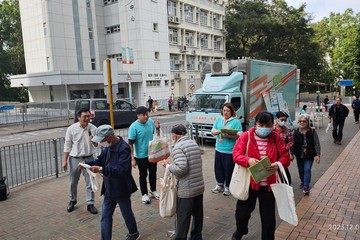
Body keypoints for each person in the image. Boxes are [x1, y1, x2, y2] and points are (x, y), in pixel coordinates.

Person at [232, 111, 290, 240]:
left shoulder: (276, 138)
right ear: (256, 123)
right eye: (261, 124)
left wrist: (277, 164)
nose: (264, 128)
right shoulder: (246, 136)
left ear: (272, 124)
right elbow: (236, 155)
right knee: (242, 214)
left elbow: (286, 157)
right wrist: (248, 160)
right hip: (249, 184)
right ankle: (240, 230)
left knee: (268, 220)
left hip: (268, 186)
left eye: (267, 125)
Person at [85, 125, 140, 240]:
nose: (101, 143)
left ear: (109, 138)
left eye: (102, 140)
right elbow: (100, 160)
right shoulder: (107, 147)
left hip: (121, 188)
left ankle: (134, 233)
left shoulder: (123, 148)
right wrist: (86, 164)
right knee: (105, 216)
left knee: (126, 213)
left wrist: (100, 169)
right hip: (109, 188)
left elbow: (121, 169)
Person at [162, 124, 204, 240]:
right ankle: (197, 236)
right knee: (197, 214)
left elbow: (181, 169)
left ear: (175, 135)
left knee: (183, 217)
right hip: (199, 185)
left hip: (187, 188)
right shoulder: (193, 143)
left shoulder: (178, 147)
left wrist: (168, 166)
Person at [62, 108, 98, 214]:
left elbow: (97, 145)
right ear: (79, 117)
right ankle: (73, 200)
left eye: (88, 116)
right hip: (75, 159)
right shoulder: (71, 129)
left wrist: (94, 141)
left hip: (89, 158)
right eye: (84, 116)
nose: (87, 119)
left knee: (90, 181)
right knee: (73, 181)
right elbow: (67, 145)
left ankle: (90, 203)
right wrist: (64, 161)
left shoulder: (93, 128)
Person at [128, 106, 160, 204]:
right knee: (143, 175)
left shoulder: (150, 122)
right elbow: (130, 143)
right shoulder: (133, 127)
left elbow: (156, 134)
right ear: (138, 116)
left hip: (152, 154)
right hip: (141, 155)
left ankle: (153, 190)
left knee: (153, 172)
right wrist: (132, 158)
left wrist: (158, 127)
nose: (145, 117)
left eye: (147, 114)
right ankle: (144, 194)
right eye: (143, 115)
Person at [211, 103, 242, 196]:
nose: (225, 112)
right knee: (218, 168)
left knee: (228, 169)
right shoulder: (219, 119)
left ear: (231, 112)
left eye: (228, 111)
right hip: (218, 148)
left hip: (229, 150)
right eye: (224, 110)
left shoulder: (236, 121)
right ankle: (220, 184)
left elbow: (240, 135)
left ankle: (228, 186)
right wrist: (216, 132)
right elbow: (213, 130)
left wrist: (230, 135)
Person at [291, 115, 321, 195]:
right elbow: (292, 144)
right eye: (300, 121)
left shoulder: (312, 132)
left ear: (308, 122)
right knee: (301, 170)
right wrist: (292, 154)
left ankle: (306, 186)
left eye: (304, 121)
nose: (302, 123)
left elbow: (317, 144)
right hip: (299, 154)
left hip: (309, 154)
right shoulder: (295, 132)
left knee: (307, 169)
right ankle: (303, 181)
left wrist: (318, 155)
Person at [273, 111, 294, 185]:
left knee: (286, 176)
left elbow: (291, 142)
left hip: (282, 156)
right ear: (276, 119)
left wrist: (284, 149)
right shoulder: (271, 130)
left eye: (285, 120)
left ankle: (286, 188)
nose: (283, 122)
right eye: (281, 120)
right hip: (272, 156)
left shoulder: (287, 131)